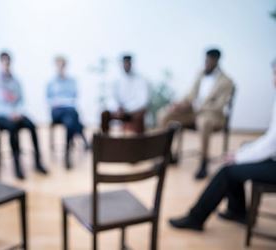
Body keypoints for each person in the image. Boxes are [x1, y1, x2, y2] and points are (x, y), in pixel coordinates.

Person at [169, 59, 276, 231]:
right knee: (237, 157)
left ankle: (196, 218)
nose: (273, 78)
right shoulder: (199, 76)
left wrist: (239, 156)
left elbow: (272, 144)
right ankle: (237, 211)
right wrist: (242, 153)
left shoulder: (226, 81)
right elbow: (271, 138)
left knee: (227, 170)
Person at [157, 49, 234, 179]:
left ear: (216, 60)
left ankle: (204, 163)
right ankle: (167, 155)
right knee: (164, 115)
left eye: (209, 60)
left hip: (212, 115)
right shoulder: (200, 74)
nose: (206, 63)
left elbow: (219, 106)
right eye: (205, 60)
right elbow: (190, 94)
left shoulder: (226, 81)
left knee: (203, 122)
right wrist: (179, 104)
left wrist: (198, 107)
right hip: (193, 113)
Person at [0, 51, 47, 179]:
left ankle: (38, 162)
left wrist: (18, 112)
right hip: (0, 115)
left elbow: (21, 100)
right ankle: (17, 166)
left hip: (17, 113)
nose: (6, 65)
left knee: (32, 125)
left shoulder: (16, 80)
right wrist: (9, 113)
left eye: (8, 62)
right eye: (3, 62)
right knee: (12, 128)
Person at [46, 56, 89, 169]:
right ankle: (84, 140)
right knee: (73, 116)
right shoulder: (51, 82)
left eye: (62, 65)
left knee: (70, 120)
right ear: (56, 66)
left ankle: (67, 153)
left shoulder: (72, 81)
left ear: (65, 66)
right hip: (57, 112)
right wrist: (61, 102)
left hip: (69, 110)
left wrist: (63, 101)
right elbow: (48, 99)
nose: (60, 67)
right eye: (58, 65)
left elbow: (74, 97)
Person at [101, 55, 149, 134]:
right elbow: (111, 98)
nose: (126, 65)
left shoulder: (140, 79)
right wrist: (118, 107)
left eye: (128, 63)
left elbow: (142, 101)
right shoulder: (116, 79)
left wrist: (127, 109)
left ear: (131, 64)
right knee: (104, 114)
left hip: (134, 111)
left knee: (140, 114)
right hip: (119, 111)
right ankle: (105, 140)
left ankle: (139, 141)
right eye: (125, 63)